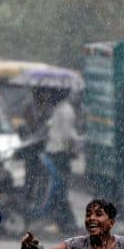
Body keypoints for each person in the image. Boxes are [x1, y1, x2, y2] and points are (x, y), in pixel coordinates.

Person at [42, 87, 81, 232]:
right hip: (59, 154)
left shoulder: (64, 110)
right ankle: (65, 221)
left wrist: (75, 141)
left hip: (58, 154)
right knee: (59, 188)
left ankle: (64, 221)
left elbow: (66, 134)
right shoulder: (63, 109)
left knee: (59, 189)